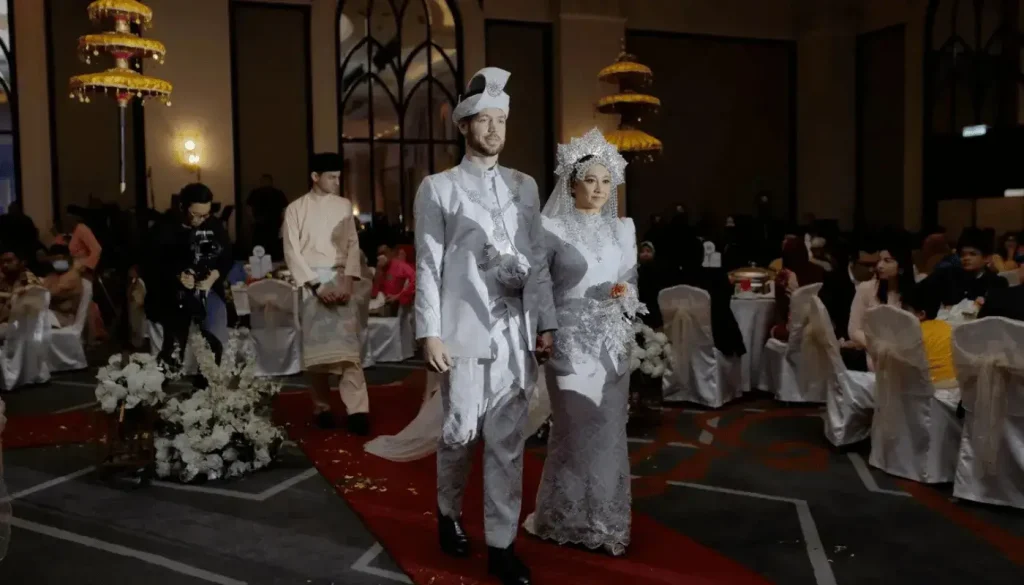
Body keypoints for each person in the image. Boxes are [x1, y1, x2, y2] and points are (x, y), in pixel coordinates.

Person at [413, 67, 555, 585]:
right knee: (458, 433)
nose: (494, 129)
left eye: (501, 120)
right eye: (484, 120)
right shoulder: (439, 189)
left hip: (515, 334)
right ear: (463, 125)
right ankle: (449, 513)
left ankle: (501, 544)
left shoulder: (524, 186)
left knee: (507, 441)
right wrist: (429, 331)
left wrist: (547, 323)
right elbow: (427, 263)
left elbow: (537, 260)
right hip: (463, 333)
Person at [522, 129, 637, 557]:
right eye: (591, 179)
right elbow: (539, 286)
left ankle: (605, 524)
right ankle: (561, 517)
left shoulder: (623, 230)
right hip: (568, 342)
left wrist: (624, 296)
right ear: (571, 183)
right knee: (573, 430)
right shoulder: (549, 227)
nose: (600, 189)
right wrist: (545, 330)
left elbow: (631, 284)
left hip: (611, 343)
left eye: (607, 181)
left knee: (609, 431)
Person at [283, 153, 370, 436]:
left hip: (339, 276)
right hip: (312, 284)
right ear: (315, 177)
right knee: (318, 355)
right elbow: (291, 252)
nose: (336, 182)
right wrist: (316, 286)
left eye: (338, 177)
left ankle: (358, 411)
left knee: (349, 352)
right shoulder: (295, 209)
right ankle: (322, 407)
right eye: (331, 177)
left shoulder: (344, 205)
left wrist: (346, 283)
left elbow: (353, 245)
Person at [143, 183, 233, 373]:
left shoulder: (212, 225)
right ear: (182, 207)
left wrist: (214, 276)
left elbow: (227, 256)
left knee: (215, 345)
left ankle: (209, 386)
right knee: (172, 354)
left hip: (208, 291)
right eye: (196, 215)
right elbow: (152, 265)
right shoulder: (163, 229)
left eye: (206, 214)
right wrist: (178, 276)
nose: (201, 220)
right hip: (172, 298)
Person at [844, 244, 915, 371]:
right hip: (873, 352)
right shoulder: (866, 289)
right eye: (879, 260)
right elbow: (854, 329)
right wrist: (877, 346)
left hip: (904, 355)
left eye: (887, 261)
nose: (879, 266)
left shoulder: (912, 293)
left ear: (901, 267)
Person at [929, 227, 1008, 306]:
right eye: (963, 255)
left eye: (972, 254)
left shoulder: (997, 282)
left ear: (987, 258)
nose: (966, 258)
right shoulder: (951, 276)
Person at [770, 235, 825, 341]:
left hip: (797, 329)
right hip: (821, 326)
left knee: (772, 329)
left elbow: (782, 311)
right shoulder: (819, 271)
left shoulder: (784, 277)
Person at [902, 282, 956, 386]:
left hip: (931, 387)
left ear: (921, 314)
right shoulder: (946, 326)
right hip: (954, 385)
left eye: (904, 310)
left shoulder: (913, 334)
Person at [246, 174, 289, 260]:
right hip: (267, 224)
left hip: (268, 224)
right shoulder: (276, 193)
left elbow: (249, 208)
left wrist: (252, 220)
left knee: (264, 247)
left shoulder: (257, 193)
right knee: (268, 248)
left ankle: (261, 264)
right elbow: (284, 210)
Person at [41, 245, 85, 329]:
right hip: (51, 314)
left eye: (60, 258)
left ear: (68, 258)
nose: (56, 262)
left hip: (64, 318)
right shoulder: (53, 274)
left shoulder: (72, 276)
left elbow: (49, 294)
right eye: (53, 259)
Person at [0, 247, 42, 333]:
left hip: (21, 326)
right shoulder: (5, 279)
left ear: (22, 262)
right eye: (2, 262)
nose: (5, 265)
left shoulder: (27, 277)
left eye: (9, 261)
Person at [371, 240, 416, 310]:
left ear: (391, 253)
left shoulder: (401, 266)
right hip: (383, 306)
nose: (381, 256)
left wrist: (397, 296)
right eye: (379, 254)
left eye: (384, 253)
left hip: (400, 305)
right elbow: (373, 295)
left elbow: (415, 280)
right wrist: (378, 271)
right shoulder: (379, 270)